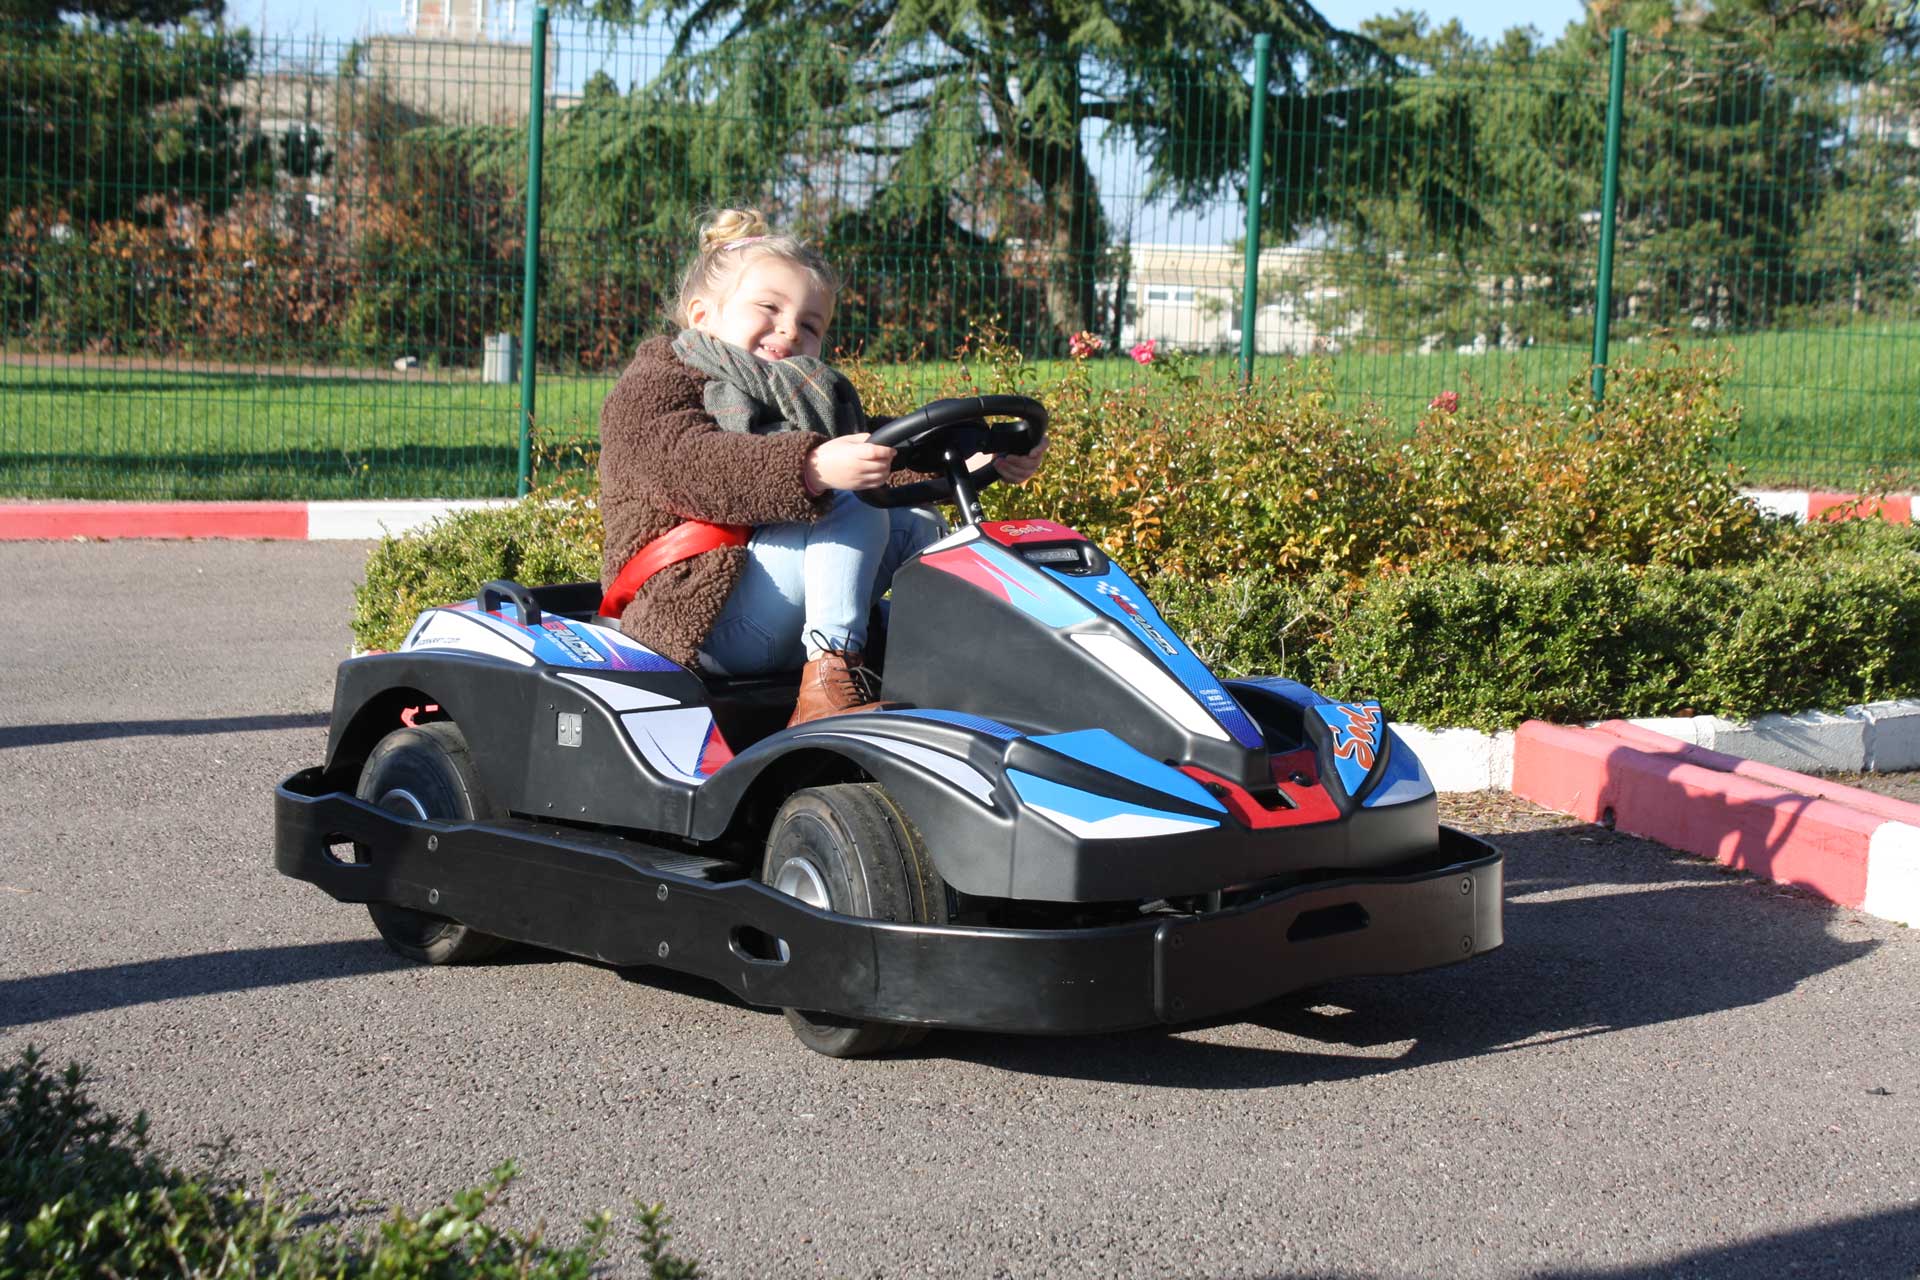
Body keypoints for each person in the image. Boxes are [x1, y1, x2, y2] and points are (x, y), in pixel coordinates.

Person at [598, 208, 1045, 727]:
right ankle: (827, 686)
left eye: (809, 325)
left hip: (774, 608)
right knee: (848, 499)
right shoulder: (655, 384)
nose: (788, 330)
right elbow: (686, 464)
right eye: (769, 307)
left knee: (918, 523)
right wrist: (811, 466)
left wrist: (974, 457)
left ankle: (963, 661)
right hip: (697, 619)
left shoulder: (806, 397)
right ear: (703, 315)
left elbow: (878, 459)